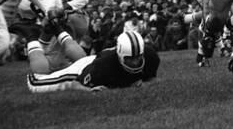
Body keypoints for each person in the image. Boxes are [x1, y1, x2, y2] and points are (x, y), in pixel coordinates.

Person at [27, 31, 160, 93]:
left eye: (138, 57)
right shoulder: (103, 68)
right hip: (86, 67)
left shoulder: (150, 57)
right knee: (36, 83)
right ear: (120, 55)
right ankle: (30, 35)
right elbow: (75, 83)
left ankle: (59, 29)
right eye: (130, 59)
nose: (136, 63)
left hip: (97, 59)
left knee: (81, 58)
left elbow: (150, 80)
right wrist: (87, 90)